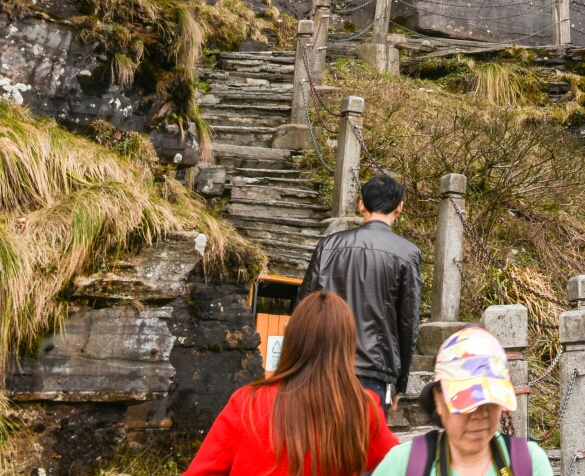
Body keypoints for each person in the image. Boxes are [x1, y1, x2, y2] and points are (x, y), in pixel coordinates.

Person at [184, 291, 397, 476]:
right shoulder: (361, 409)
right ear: (347, 347)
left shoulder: (247, 403)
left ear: (292, 340)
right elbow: (403, 464)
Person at [299, 172, 421, 417]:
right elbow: (408, 323)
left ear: (361, 204)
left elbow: (304, 307)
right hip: (375, 372)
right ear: (399, 207)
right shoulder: (407, 254)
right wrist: (400, 384)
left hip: (325, 368)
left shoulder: (328, 245)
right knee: (367, 450)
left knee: (321, 447)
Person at [372, 326, 552, 476]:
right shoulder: (402, 465)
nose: (481, 414)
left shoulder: (529, 463)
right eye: (468, 403)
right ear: (439, 400)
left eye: (491, 401)